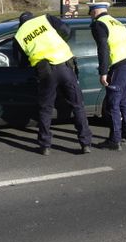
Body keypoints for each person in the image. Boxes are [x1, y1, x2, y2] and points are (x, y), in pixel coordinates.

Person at [14, 12, 93, 156]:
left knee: (46, 109)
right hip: (65, 65)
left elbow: (21, 62)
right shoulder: (45, 19)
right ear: (33, 18)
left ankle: (45, 145)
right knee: (77, 105)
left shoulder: (19, 35)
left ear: (21, 24)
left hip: (45, 72)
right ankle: (85, 143)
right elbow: (66, 31)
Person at [89, 1, 126, 151]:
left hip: (121, 64)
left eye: (91, 12)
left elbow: (103, 49)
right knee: (123, 98)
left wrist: (103, 72)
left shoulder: (99, 24)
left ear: (95, 11)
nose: (91, 15)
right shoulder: (115, 21)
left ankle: (115, 139)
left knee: (112, 103)